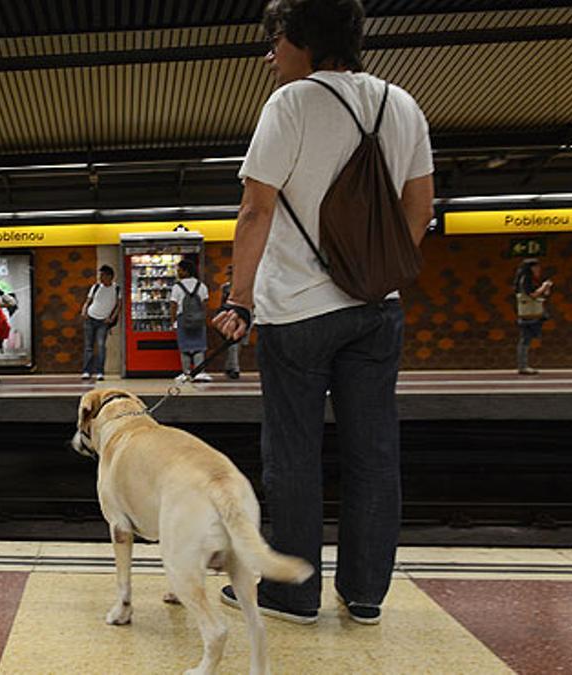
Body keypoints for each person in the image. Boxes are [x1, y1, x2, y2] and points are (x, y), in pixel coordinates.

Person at [212, 0, 434, 626]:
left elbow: (256, 210)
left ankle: (294, 591)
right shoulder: (401, 103)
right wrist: (375, 275)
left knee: (294, 454)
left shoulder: (290, 104)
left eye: (275, 40)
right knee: (373, 452)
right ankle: (364, 595)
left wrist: (239, 297)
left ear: (304, 39)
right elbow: (420, 208)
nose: (269, 55)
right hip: (376, 310)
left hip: (296, 314)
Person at [170, 259, 212, 383]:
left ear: (186, 271)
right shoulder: (202, 285)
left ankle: (186, 372)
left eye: (180, 270)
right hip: (199, 319)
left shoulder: (177, 287)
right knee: (199, 346)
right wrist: (204, 318)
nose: (178, 272)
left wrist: (173, 321)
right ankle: (199, 372)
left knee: (185, 347)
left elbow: (173, 305)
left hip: (183, 319)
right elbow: (205, 304)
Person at [513, 258, 553, 375]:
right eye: (536, 267)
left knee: (526, 339)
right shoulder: (526, 280)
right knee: (525, 339)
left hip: (529, 313)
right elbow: (533, 295)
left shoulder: (527, 280)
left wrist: (545, 289)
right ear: (531, 268)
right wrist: (544, 286)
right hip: (529, 315)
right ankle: (523, 366)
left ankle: (523, 365)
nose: (538, 270)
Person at [79, 265, 120, 381]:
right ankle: (86, 371)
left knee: (101, 346)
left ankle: (100, 372)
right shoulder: (96, 287)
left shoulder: (116, 289)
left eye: (103, 275)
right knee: (88, 347)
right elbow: (88, 301)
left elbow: (118, 305)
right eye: (100, 275)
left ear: (110, 276)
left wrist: (112, 318)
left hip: (103, 321)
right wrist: (84, 310)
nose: (100, 278)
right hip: (90, 318)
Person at [220, 264, 248, 380]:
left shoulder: (244, 287)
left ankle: (230, 366)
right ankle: (235, 368)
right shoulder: (226, 287)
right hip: (232, 315)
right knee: (232, 343)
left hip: (242, 315)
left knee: (238, 344)